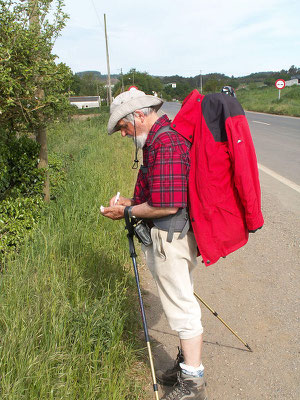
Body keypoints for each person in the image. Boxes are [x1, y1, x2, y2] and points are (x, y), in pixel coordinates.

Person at [101, 87, 208, 400]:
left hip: (170, 238)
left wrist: (127, 210)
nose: (123, 134)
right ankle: (187, 363)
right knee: (179, 300)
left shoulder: (166, 143)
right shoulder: (159, 140)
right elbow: (159, 195)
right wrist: (132, 202)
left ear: (138, 115)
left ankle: (193, 382)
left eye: (123, 126)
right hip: (168, 235)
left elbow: (168, 204)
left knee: (181, 307)